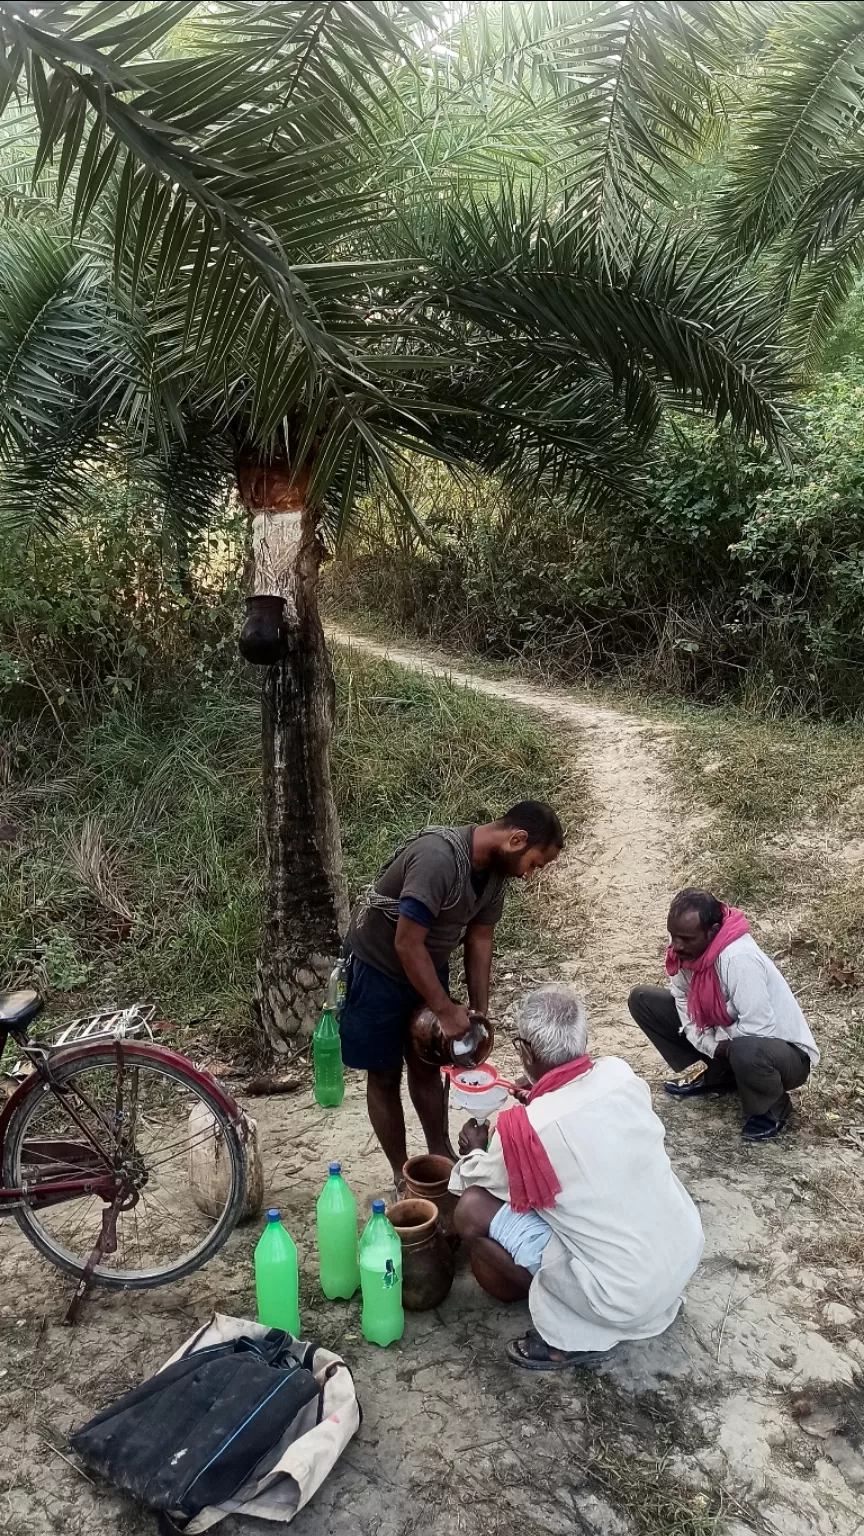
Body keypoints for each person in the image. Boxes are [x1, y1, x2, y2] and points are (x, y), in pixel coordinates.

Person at [450, 984, 704, 1371]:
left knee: (470, 1210)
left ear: (525, 1052)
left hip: (622, 1296)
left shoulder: (526, 1129)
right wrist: (539, 1095)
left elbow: (472, 1182)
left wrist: (476, 1150)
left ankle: (572, 1332)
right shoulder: (619, 1074)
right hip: (680, 1259)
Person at [339, 803, 563, 1190]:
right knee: (385, 1072)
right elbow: (407, 943)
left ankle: (439, 1152)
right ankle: (401, 1173)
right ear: (516, 839)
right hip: (378, 968)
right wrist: (443, 1010)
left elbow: (479, 939)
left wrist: (478, 1014)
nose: (528, 875)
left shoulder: (494, 876)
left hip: (427, 966)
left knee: (427, 1064)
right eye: (533, 863)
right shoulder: (437, 858)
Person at [628, 888, 819, 1142]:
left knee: (746, 1049)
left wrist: (717, 1044)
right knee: (643, 1001)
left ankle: (773, 1106)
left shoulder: (739, 958)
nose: (676, 946)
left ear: (713, 931)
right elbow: (682, 999)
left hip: (784, 1056)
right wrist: (709, 1045)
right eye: (673, 935)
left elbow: (758, 1027)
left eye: (686, 938)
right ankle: (721, 1075)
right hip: (725, 1039)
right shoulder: (684, 951)